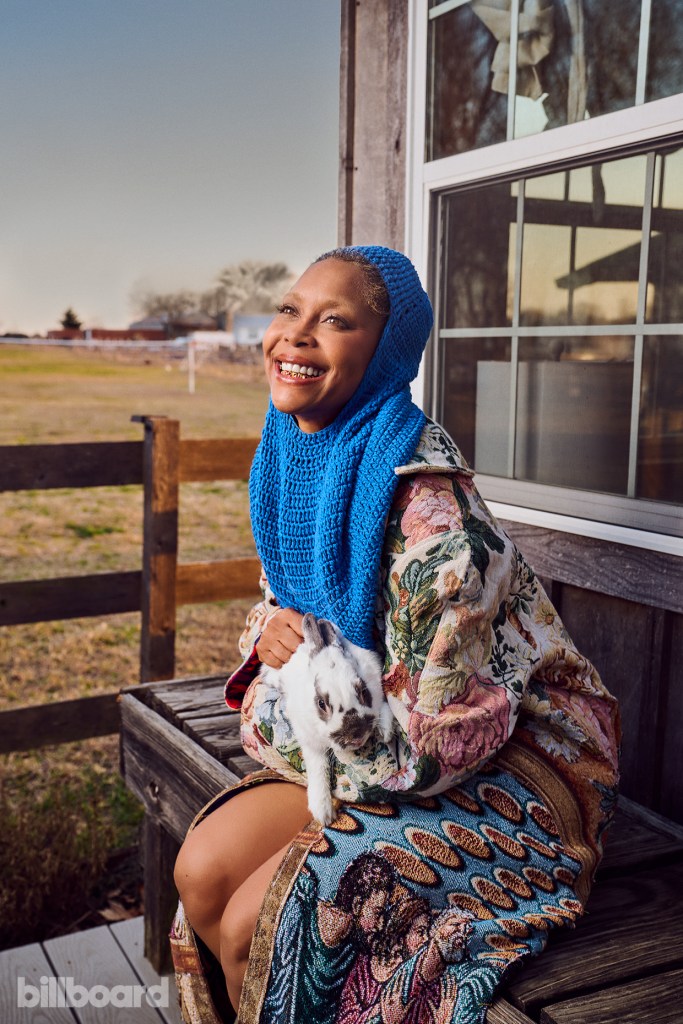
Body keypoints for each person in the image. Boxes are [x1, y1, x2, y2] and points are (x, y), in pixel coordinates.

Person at [171, 246, 620, 1024]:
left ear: (385, 354)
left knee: (259, 924)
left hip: (512, 762)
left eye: (336, 321)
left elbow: (435, 745)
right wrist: (278, 642)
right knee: (202, 871)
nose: (296, 335)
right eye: (290, 310)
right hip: (370, 736)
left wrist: (287, 701)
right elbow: (278, 627)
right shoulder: (296, 462)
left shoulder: (437, 529)